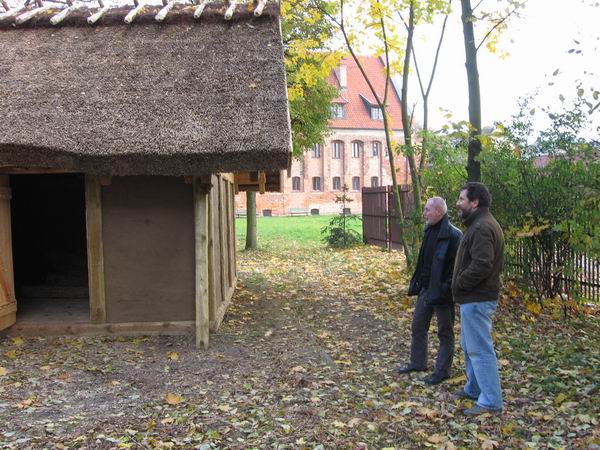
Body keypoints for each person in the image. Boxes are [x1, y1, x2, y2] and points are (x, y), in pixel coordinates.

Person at [452, 182, 505, 416]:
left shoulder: (482, 227)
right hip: (473, 298)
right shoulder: (478, 224)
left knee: (480, 349)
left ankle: (491, 401)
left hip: (477, 298)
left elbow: (482, 265)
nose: (458, 203)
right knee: (469, 346)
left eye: (462, 199)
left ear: (475, 203)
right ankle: (474, 388)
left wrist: (459, 282)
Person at [398, 197, 462, 385]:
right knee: (418, 326)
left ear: (439, 212)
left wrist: (444, 289)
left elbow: (455, 269)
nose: (424, 213)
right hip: (426, 289)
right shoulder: (429, 230)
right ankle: (418, 363)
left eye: (427, 210)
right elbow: (425, 262)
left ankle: (442, 371)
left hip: (442, 292)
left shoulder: (454, 235)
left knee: (445, 332)